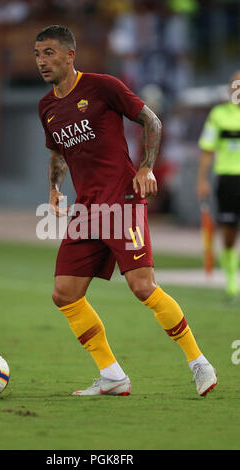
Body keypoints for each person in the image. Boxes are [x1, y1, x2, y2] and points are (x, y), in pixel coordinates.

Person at [36, 25, 217, 397]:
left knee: (142, 286)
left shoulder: (103, 86)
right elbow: (57, 150)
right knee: (65, 293)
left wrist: (147, 167)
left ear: (70, 56)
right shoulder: (47, 107)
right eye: (38, 54)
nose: (42, 61)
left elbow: (151, 120)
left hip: (122, 199)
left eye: (49, 53)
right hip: (87, 208)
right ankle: (113, 375)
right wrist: (54, 188)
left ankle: (199, 363)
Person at [197, 71, 240, 299]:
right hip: (229, 179)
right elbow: (207, 149)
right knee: (229, 232)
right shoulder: (219, 115)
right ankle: (232, 279)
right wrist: (202, 179)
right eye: (236, 85)